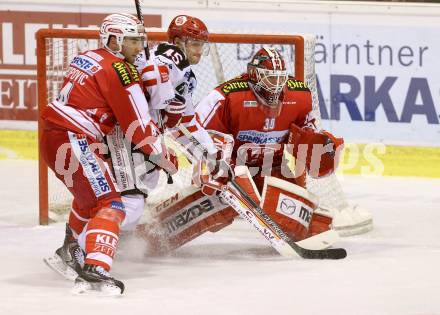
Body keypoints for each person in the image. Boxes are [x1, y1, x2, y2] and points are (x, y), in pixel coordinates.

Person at [41, 13, 176, 295]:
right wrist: (161, 155)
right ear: (113, 39)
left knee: (88, 199)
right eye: (131, 40)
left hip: (55, 138)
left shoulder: (88, 56)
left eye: (141, 40)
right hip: (75, 139)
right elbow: (136, 124)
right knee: (112, 205)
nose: (139, 47)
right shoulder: (121, 70)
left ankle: (68, 252)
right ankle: (95, 271)